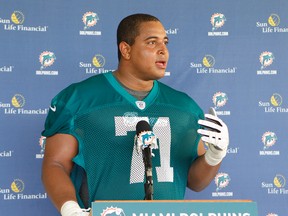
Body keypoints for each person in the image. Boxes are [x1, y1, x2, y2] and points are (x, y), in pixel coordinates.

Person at [41, 13, 229, 216]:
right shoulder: (80, 98)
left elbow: (195, 182)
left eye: (165, 42)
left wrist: (214, 155)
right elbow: (56, 164)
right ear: (126, 50)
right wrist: (70, 209)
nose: (163, 50)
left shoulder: (185, 107)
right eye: (151, 42)